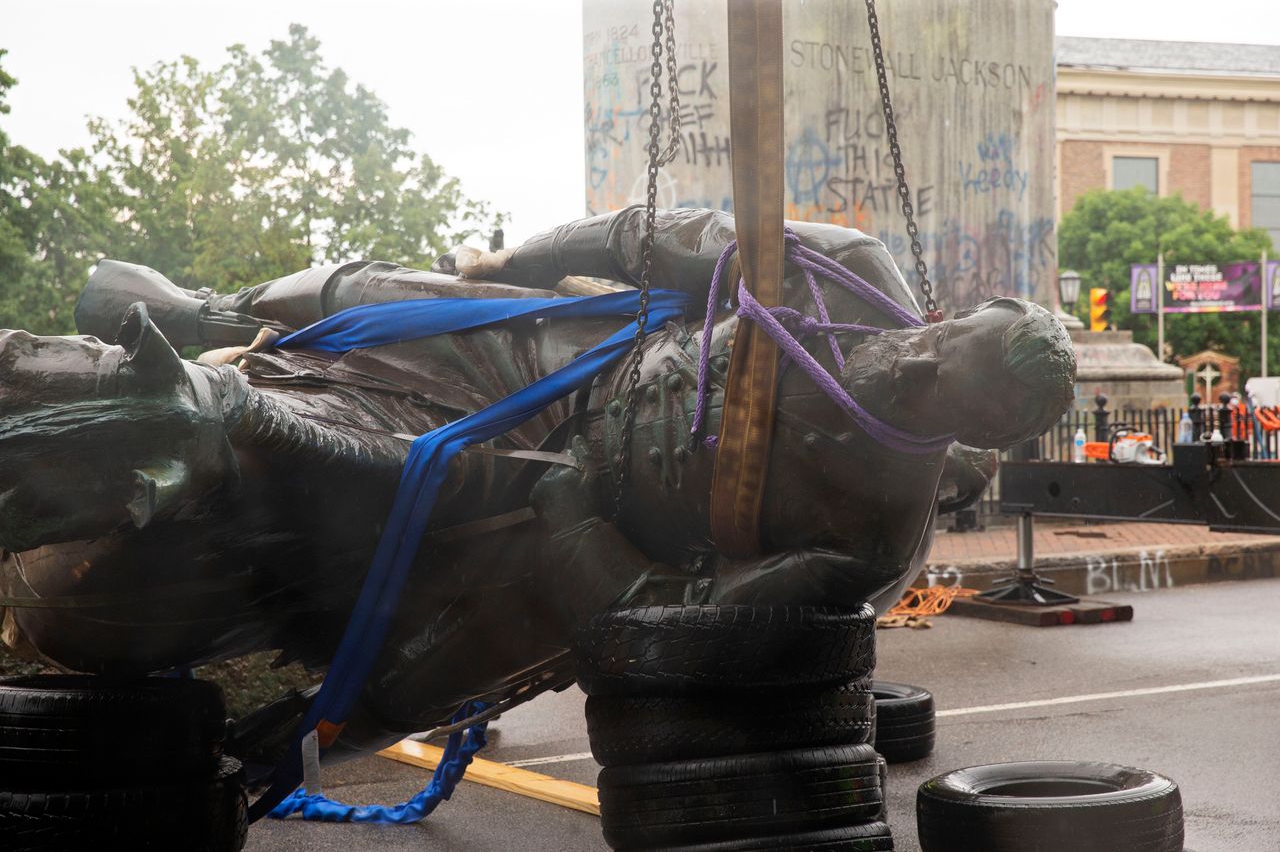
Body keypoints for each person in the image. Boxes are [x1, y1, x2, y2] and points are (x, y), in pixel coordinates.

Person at [0, 206, 1074, 757]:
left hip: (563, 501)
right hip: (570, 358)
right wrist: (513, 267)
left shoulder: (875, 538)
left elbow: (673, 617)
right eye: (944, 341)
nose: (918, 362)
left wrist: (573, 527)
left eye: (947, 389)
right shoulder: (850, 267)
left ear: (979, 432)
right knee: (402, 294)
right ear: (953, 314)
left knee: (414, 585)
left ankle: (276, 730)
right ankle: (214, 310)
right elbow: (637, 237)